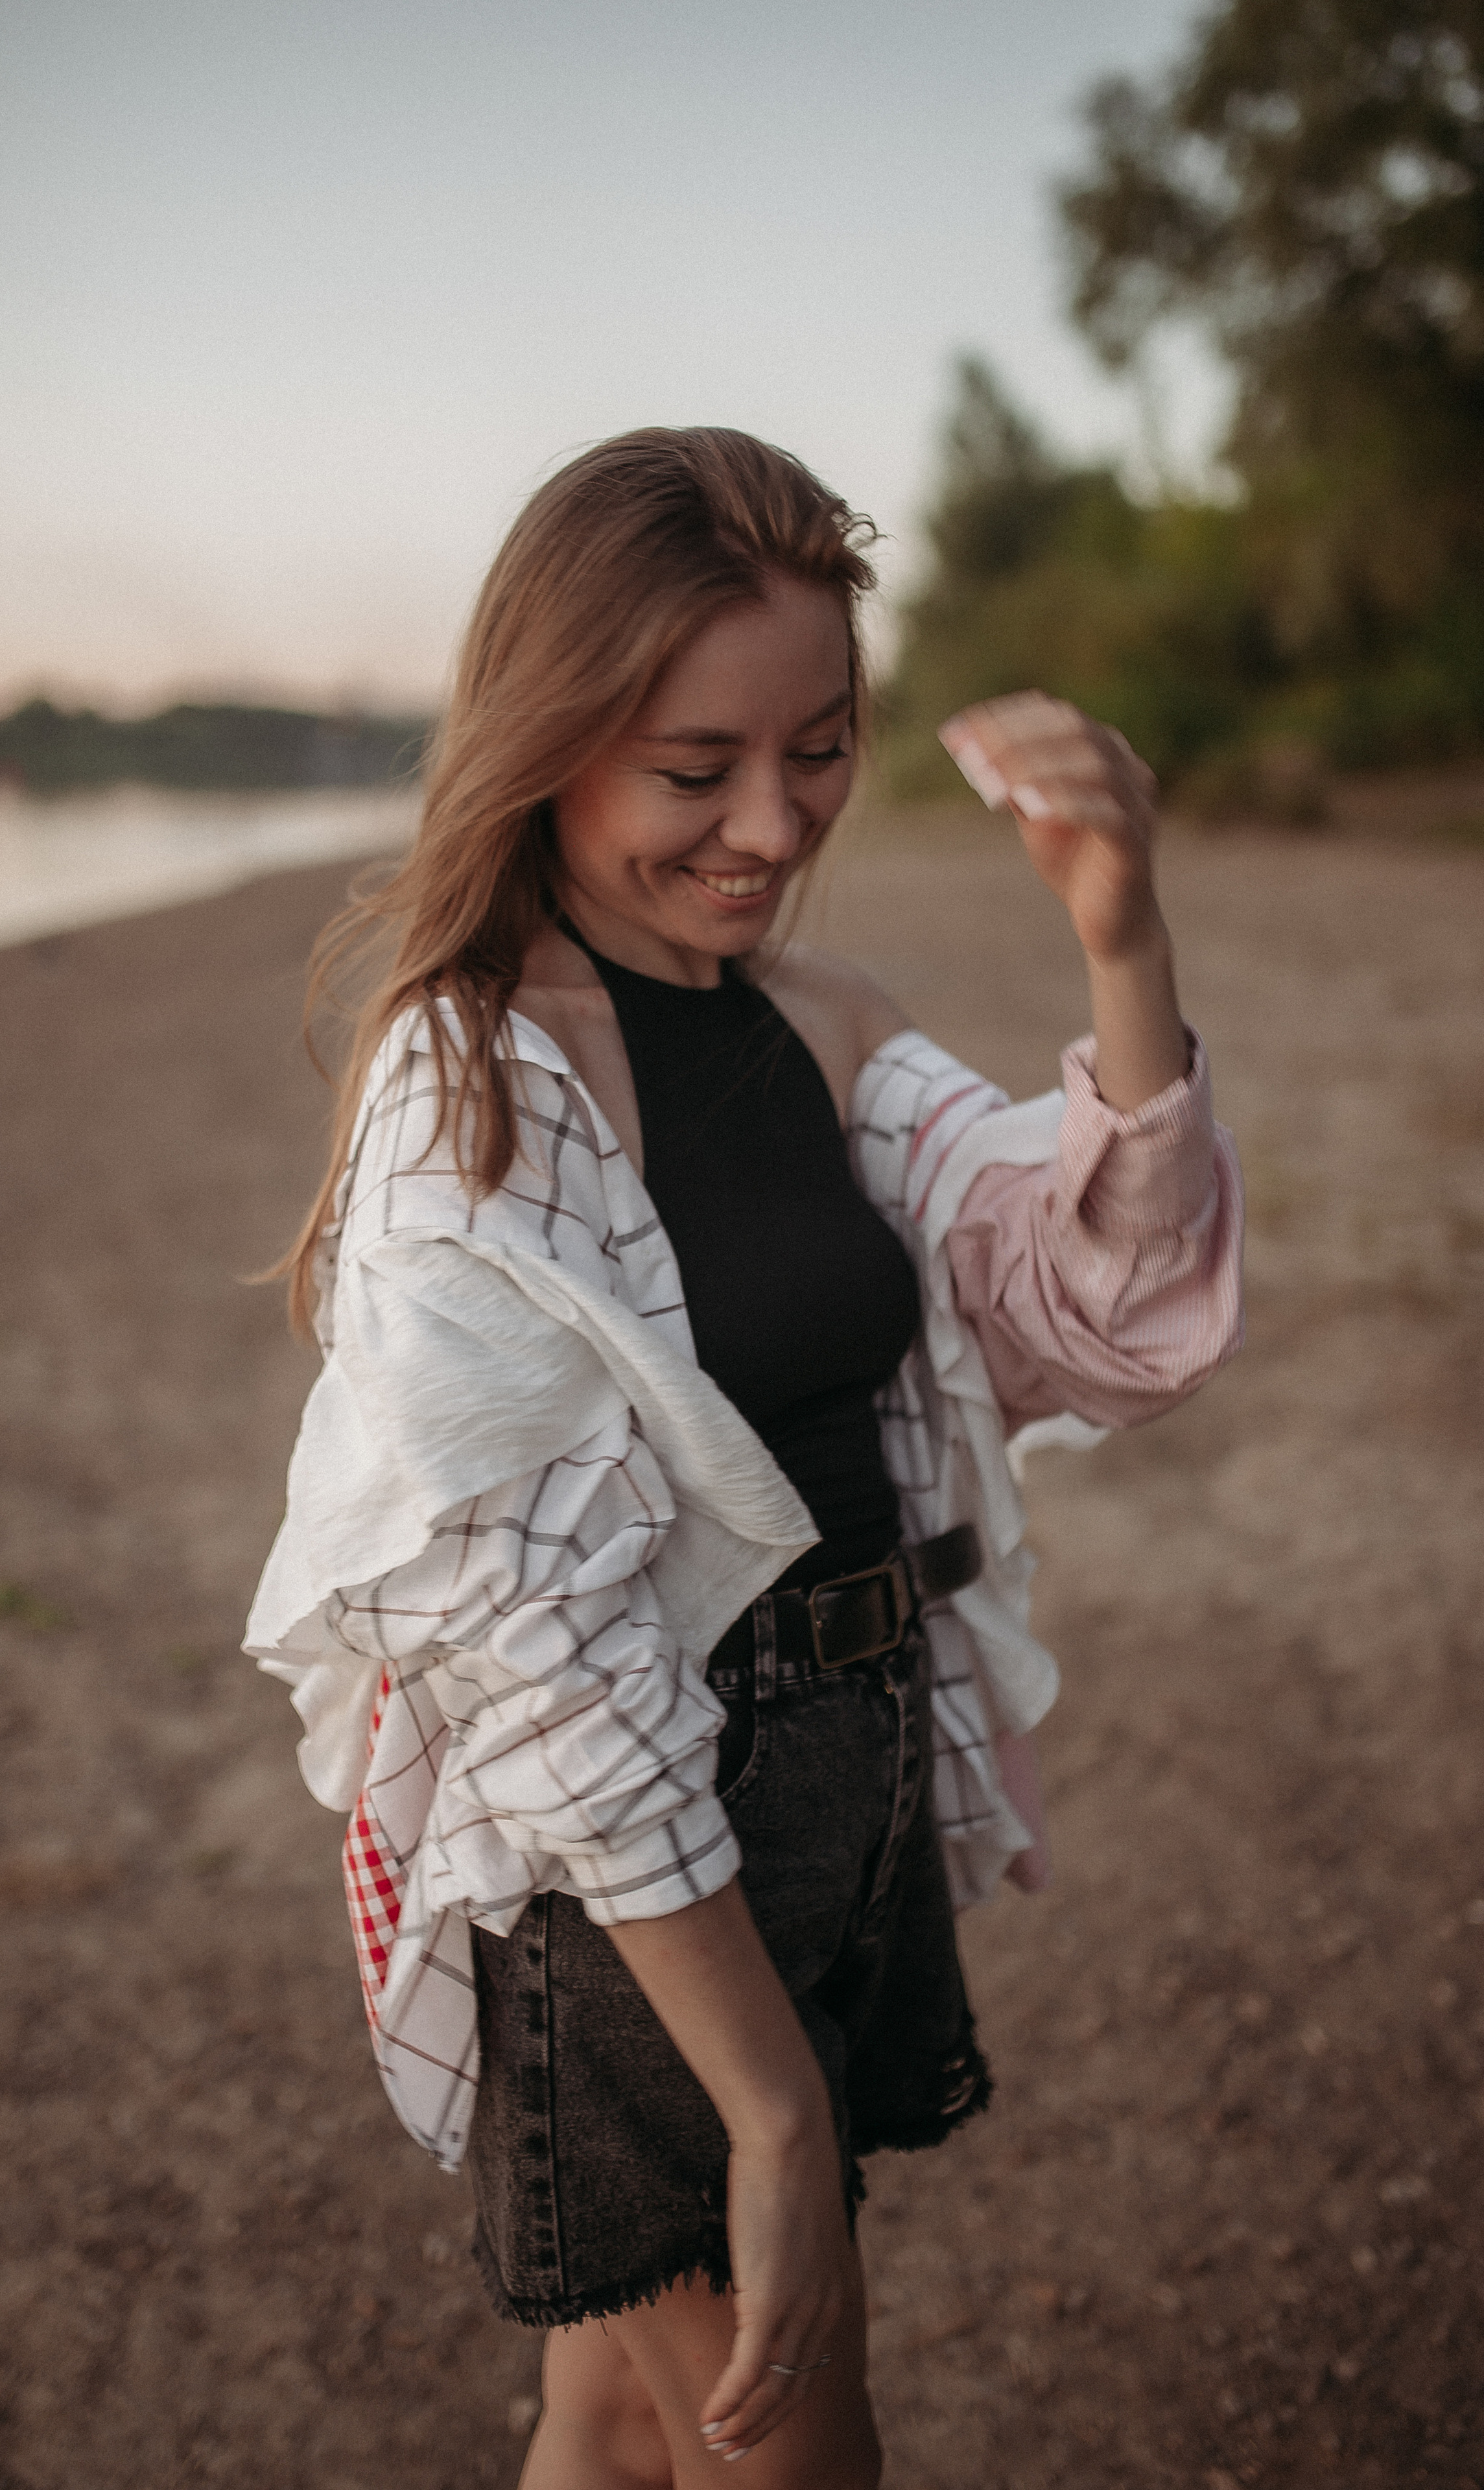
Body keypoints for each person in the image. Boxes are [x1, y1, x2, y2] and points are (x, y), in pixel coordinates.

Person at [244, 427, 1243, 2489]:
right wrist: (766, 2099)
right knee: (796, 2439)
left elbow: (1104, 1311)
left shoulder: (819, 1017)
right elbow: (523, 1636)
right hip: (629, 1865)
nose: (771, 827)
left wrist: (1125, 944)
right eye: (696, 771)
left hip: (846, 1768)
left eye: (819, 752)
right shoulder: (470, 1098)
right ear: (551, 739)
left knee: (620, 2414)